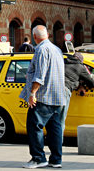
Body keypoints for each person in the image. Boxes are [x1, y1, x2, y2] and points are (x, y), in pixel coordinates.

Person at [21, 25, 67, 169]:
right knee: (55, 128)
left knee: (34, 126)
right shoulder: (56, 49)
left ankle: (38, 158)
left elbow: (39, 75)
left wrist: (32, 93)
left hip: (43, 96)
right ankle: (56, 159)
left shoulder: (41, 50)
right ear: (47, 34)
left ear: (34, 37)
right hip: (57, 95)